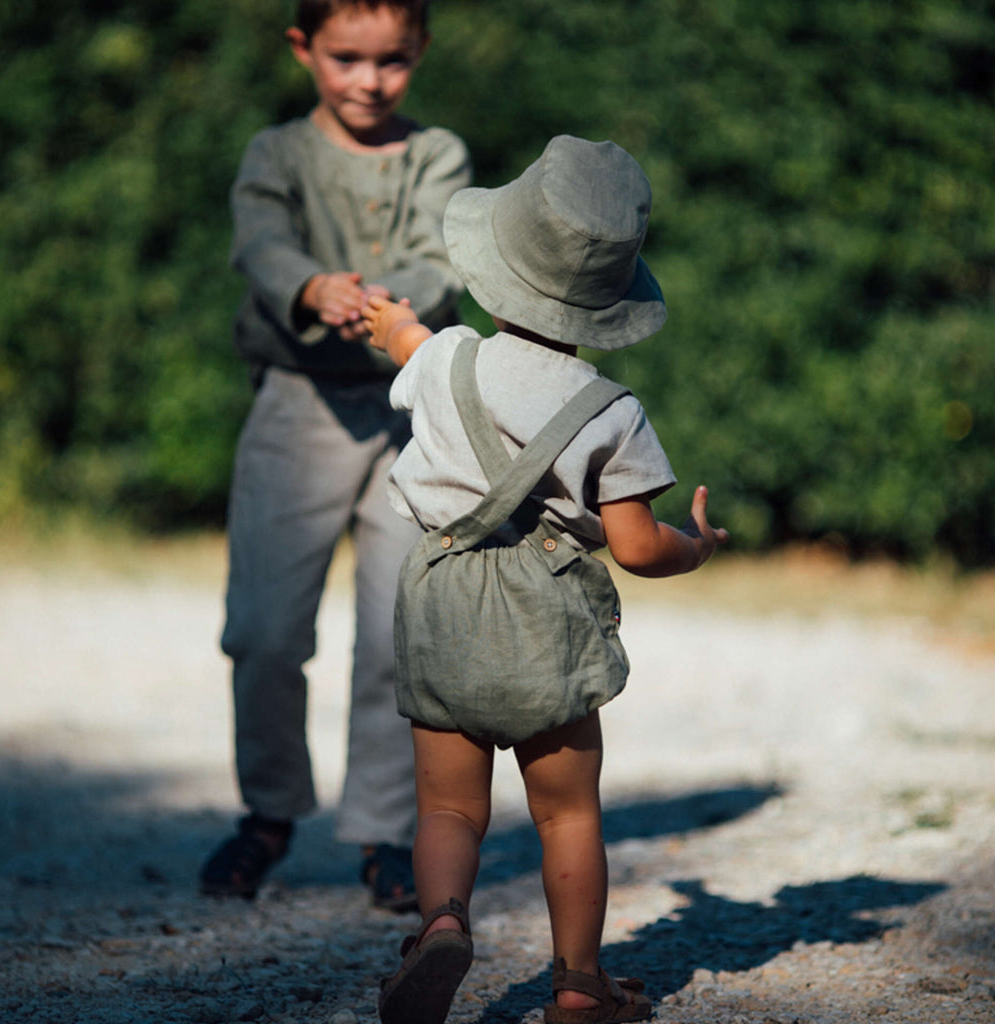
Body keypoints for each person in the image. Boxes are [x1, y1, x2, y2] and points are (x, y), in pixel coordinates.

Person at [361, 135, 728, 1024]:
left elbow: (406, 340)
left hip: (444, 593)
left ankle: (440, 924)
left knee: (448, 807)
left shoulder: (446, 358)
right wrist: (697, 544)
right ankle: (576, 989)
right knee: (567, 815)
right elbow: (637, 547)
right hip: (544, 611)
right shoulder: (612, 412)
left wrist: (386, 324)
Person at [200, 0, 472, 909]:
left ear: (421, 53)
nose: (369, 80)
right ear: (303, 49)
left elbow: (444, 255)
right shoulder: (276, 154)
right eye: (346, 58)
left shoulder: (438, 153)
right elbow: (260, 243)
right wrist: (314, 288)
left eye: (392, 60)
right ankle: (268, 813)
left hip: (410, 415)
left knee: (402, 634)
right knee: (265, 628)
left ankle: (389, 835)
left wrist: (395, 303)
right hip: (298, 406)